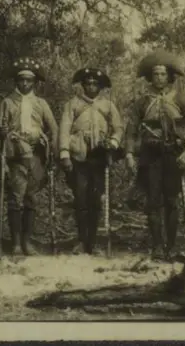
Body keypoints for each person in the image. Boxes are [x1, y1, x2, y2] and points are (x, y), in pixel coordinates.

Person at [124, 51, 185, 261]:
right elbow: (130, 130)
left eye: (163, 74)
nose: (159, 78)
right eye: (156, 74)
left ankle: (171, 246)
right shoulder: (142, 102)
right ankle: (157, 246)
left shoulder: (179, 99)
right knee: (153, 200)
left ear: (169, 77)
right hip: (150, 156)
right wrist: (130, 154)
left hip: (173, 155)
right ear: (151, 77)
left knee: (171, 200)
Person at [0, 57, 58, 256]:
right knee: (15, 197)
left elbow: (53, 128)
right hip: (15, 155)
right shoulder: (7, 102)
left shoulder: (41, 103)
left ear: (34, 82)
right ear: (16, 81)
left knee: (31, 197)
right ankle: (16, 243)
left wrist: (52, 150)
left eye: (29, 80)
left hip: (36, 155)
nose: (25, 84)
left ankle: (28, 241)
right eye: (21, 80)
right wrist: (0, 129)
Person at [58, 68, 123, 255]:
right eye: (88, 83)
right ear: (82, 85)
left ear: (100, 87)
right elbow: (64, 128)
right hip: (79, 155)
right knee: (81, 198)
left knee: (96, 199)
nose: (91, 86)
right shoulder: (73, 105)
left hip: (100, 156)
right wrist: (64, 153)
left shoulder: (108, 105)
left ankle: (92, 241)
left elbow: (118, 127)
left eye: (95, 83)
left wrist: (113, 141)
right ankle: (81, 240)